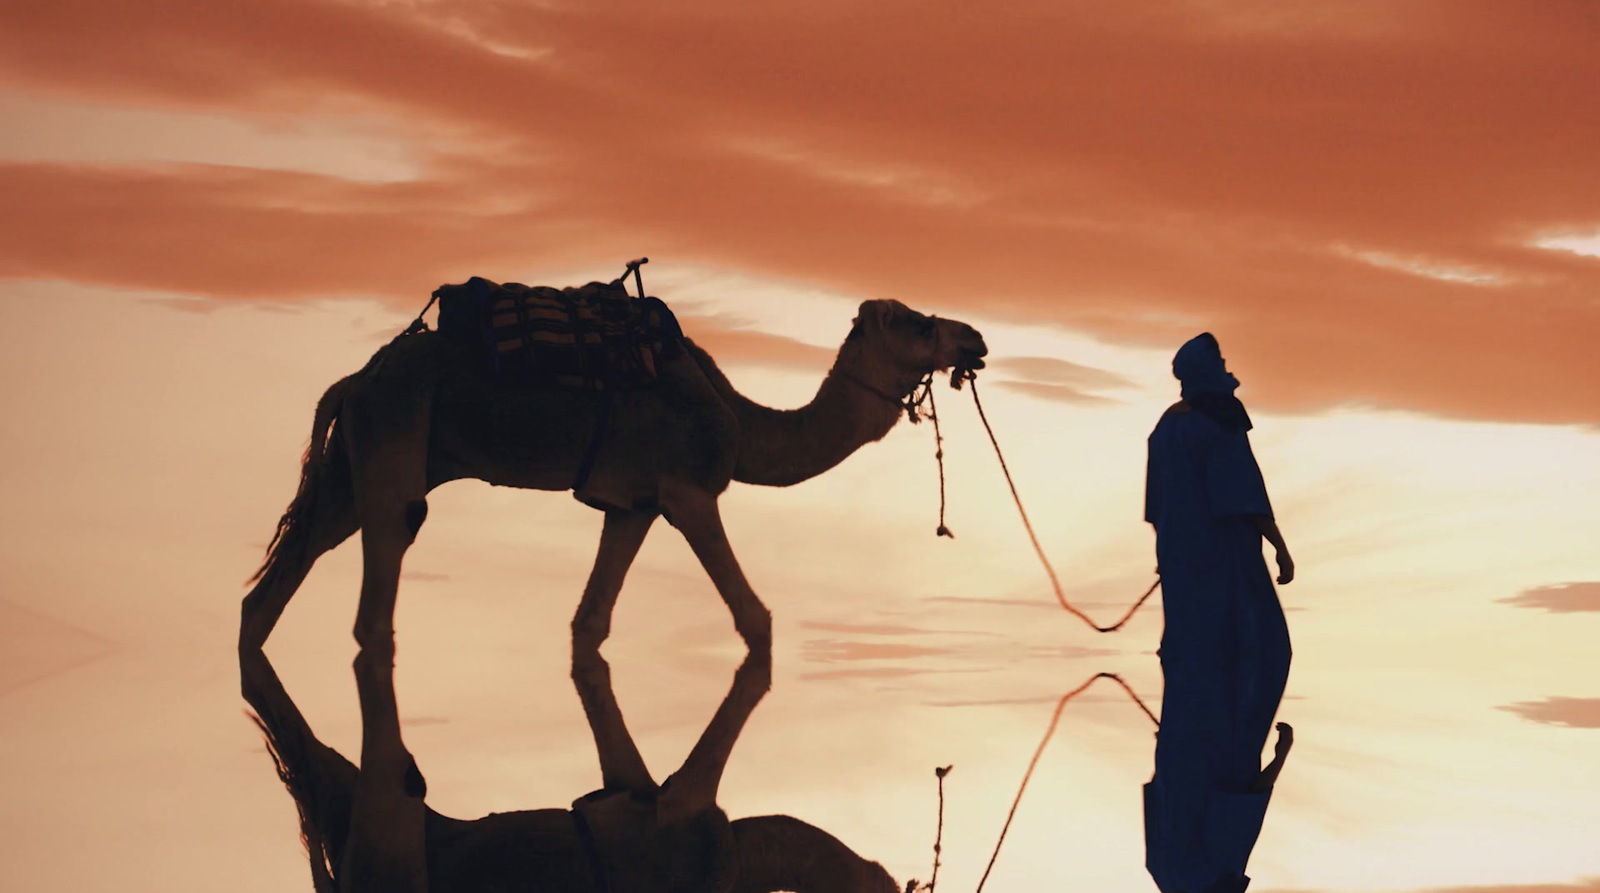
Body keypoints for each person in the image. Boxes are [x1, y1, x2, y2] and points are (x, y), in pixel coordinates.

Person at [1142, 332, 1295, 893]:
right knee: (1264, 650)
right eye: (1223, 364)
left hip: (1182, 561)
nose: (1229, 373)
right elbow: (1245, 494)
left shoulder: (1167, 425)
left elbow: (1157, 508)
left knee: (1190, 647)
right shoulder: (1218, 420)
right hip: (1227, 562)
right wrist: (1279, 544)